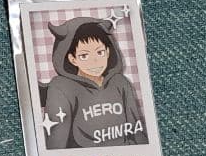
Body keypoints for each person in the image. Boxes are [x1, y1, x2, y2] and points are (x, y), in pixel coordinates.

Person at [42, 18, 147, 149]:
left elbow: (137, 129)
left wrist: (145, 155)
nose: (95, 61)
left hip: (124, 153)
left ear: (108, 52)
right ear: (72, 59)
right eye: (84, 56)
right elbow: (56, 140)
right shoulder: (62, 87)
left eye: (100, 52)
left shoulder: (120, 82)